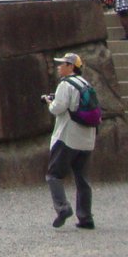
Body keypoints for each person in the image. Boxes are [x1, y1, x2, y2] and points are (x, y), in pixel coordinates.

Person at [44, 52, 96, 229]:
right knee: (82, 178)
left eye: (63, 64)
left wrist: (49, 102)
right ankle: (86, 217)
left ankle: (62, 207)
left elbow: (58, 108)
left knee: (53, 174)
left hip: (68, 136)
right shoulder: (86, 84)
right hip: (87, 138)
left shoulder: (65, 85)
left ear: (71, 67)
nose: (59, 66)